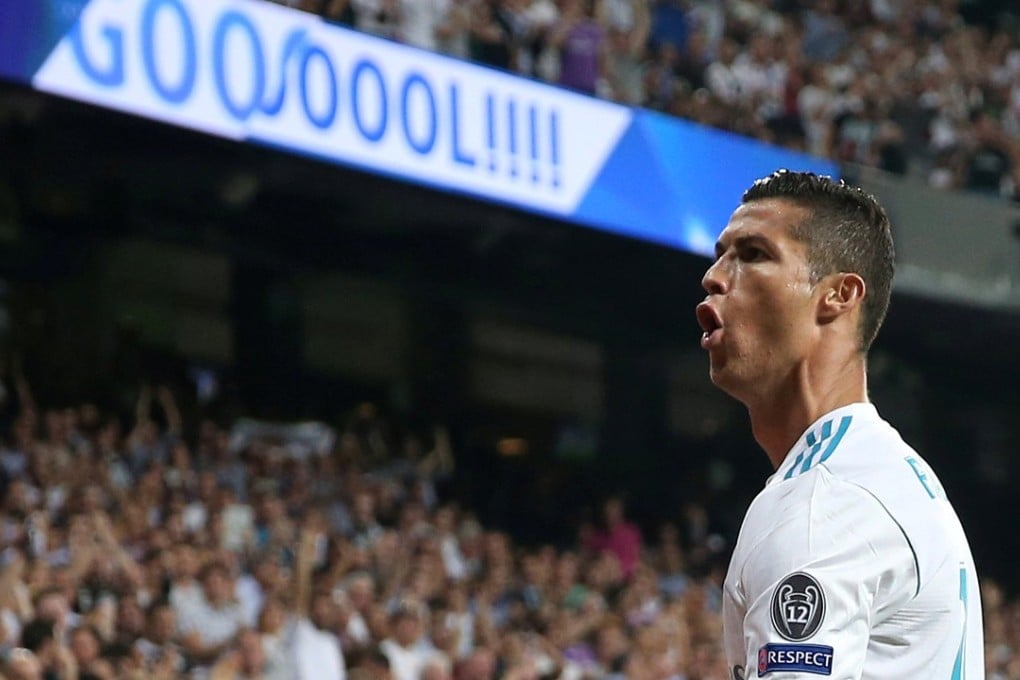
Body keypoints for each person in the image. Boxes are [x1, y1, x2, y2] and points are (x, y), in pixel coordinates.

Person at [696, 170, 984, 679]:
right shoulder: (877, 469)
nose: (714, 276)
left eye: (754, 254)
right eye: (720, 254)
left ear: (838, 296)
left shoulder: (826, 504)